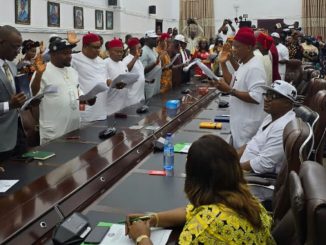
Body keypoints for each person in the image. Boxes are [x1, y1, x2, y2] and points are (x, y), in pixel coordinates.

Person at [126, 135, 275, 244]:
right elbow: (191, 211)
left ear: (193, 177)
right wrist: (152, 219)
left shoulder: (206, 227)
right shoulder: (248, 201)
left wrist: (142, 237)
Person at [30, 38, 96, 144]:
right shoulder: (42, 71)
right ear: (53, 54)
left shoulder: (72, 71)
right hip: (54, 131)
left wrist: (88, 99)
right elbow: (33, 96)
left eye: (70, 53)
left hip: (74, 128)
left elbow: (77, 92)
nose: (69, 56)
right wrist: (38, 74)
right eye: (65, 53)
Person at [216, 27, 267, 148]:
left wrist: (229, 91)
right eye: (233, 46)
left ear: (249, 47)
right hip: (239, 123)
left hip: (247, 127)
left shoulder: (255, 67)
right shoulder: (245, 64)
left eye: (237, 47)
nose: (234, 50)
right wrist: (223, 63)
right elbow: (233, 83)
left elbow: (256, 97)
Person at [238, 80, 297, 174]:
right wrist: (231, 158)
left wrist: (232, 169)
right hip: (243, 168)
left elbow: (263, 165)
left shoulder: (283, 128)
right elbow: (253, 143)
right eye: (267, 94)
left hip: (254, 176)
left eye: (273, 96)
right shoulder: (271, 116)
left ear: (287, 103)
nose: (266, 99)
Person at [0, 25, 27, 161]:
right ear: (1, 42)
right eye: (14, 47)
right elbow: (11, 103)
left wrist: (28, 101)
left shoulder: (11, 65)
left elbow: (17, 97)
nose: (18, 52)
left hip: (18, 133)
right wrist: (9, 105)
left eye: (19, 47)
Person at [71, 33, 109, 123]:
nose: (98, 50)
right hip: (86, 111)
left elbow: (105, 79)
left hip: (102, 111)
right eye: (95, 47)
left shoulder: (101, 61)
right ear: (85, 46)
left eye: (99, 47)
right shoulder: (74, 59)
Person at [104, 38, 129, 115]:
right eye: (117, 51)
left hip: (123, 104)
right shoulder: (105, 63)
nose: (119, 54)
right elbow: (105, 80)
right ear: (110, 51)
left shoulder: (123, 64)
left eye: (121, 52)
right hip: (110, 105)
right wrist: (115, 84)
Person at [122, 38, 145, 106]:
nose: (141, 50)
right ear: (132, 49)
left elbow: (138, 75)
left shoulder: (138, 60)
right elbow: (126, 70)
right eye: (139, 48)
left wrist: (146, 80)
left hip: (140, 96)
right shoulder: (126, 59)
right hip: (132, 98)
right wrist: (135, 58)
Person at [140, 30, 161, 99]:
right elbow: (143, 70)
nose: (156, 40)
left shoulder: (153, 49)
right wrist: (155, 64)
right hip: (149, 84)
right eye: (154, 39)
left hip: (157, 83)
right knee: (151, 106)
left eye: (156, 38)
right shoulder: (144, 51)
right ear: (147, 39)